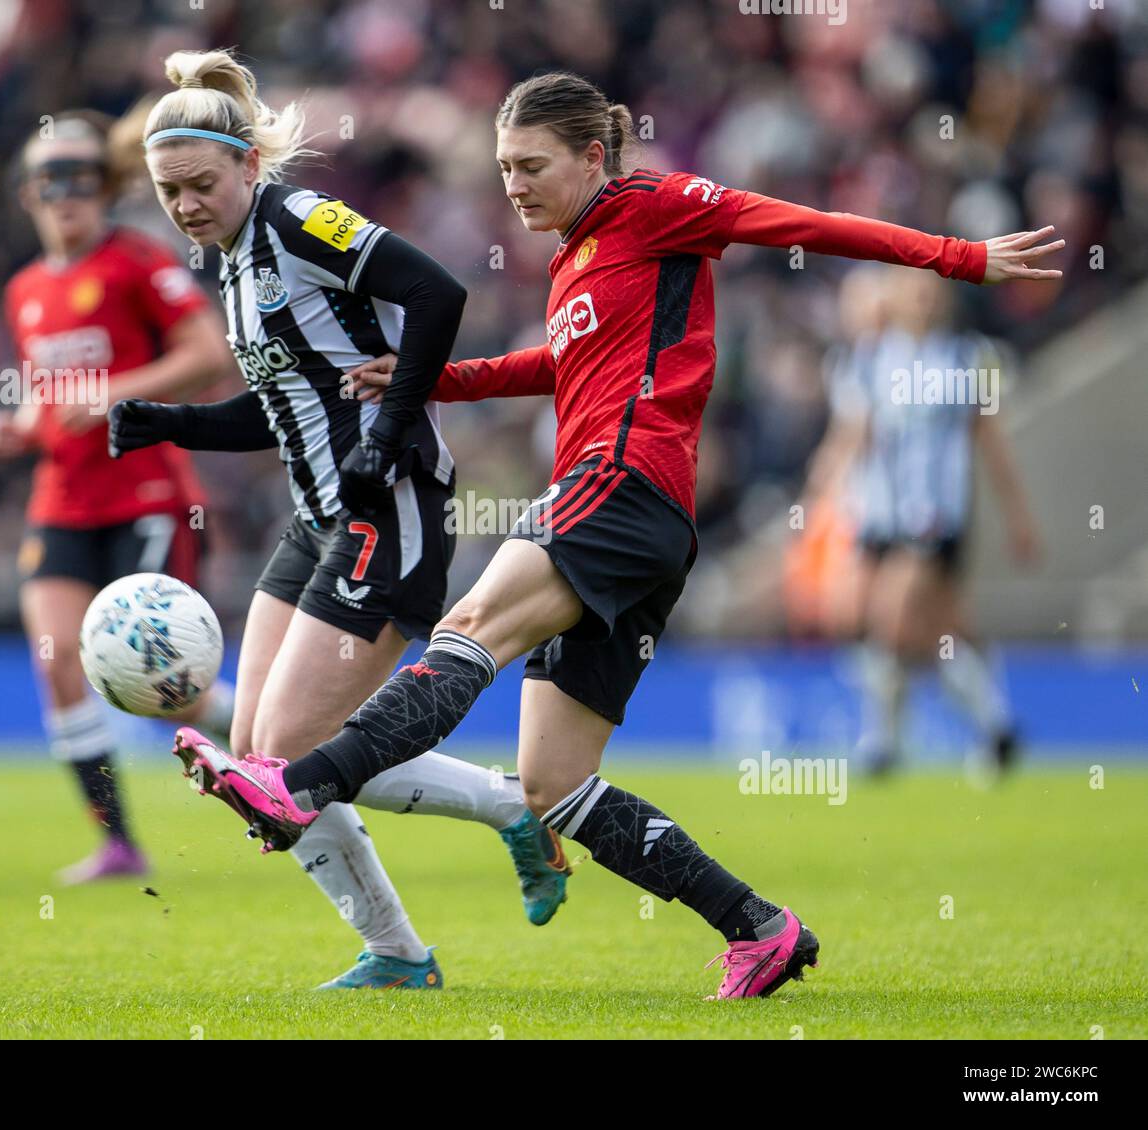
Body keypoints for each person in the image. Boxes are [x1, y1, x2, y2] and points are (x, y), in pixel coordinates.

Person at [173, 70, 1063, 999]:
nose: (512, 186)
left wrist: (960, 259)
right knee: (554, 782)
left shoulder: (657, 204)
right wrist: (435, 378)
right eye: (502, 168)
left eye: (530, 165)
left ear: (594, 156)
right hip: (639, 518)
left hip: (622, 483)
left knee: (471, 624)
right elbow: (562, 364)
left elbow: (799, 224)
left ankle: (299, 787)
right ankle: (760, 929)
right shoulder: (577, 254)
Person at [109, 49, 569, 990]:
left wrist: (389, 430)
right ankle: (407, 943)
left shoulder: (295, 220)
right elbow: (284, 405)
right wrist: (170, 421)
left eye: (201, 184)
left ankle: (495, 830)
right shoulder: (234, 263)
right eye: (168, 192)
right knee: (257, 758)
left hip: (387, 508)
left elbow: (439, 292)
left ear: (246, 165)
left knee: (278, 762)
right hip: (315, 520)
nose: (187, 205)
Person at [0, 110, 237, 885]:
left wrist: (114, 394)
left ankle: (269, 739)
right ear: (26, 195)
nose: (66, 199)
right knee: (60, 665)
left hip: (148, 496)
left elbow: (209, 355)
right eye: (49, 185)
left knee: (169, 694)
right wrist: (17, 430)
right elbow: (52, 401)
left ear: (105, 188)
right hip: (62, 500)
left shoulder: (138, 261)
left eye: (82, 183)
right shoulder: (24, 289)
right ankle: (119, 843)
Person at [805, 266, 1040, 779]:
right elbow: (851, 436)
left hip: (934, 517)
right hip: (878, 515)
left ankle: (883, 744)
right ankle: (997, 727)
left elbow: (991, 442)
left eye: (932, 293)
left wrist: (1017, 515)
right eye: (915, 292)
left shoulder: (965, 358)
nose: (924, 302)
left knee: (894, 620)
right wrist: (822, 491)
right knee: (874, 621)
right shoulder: (867, 361)